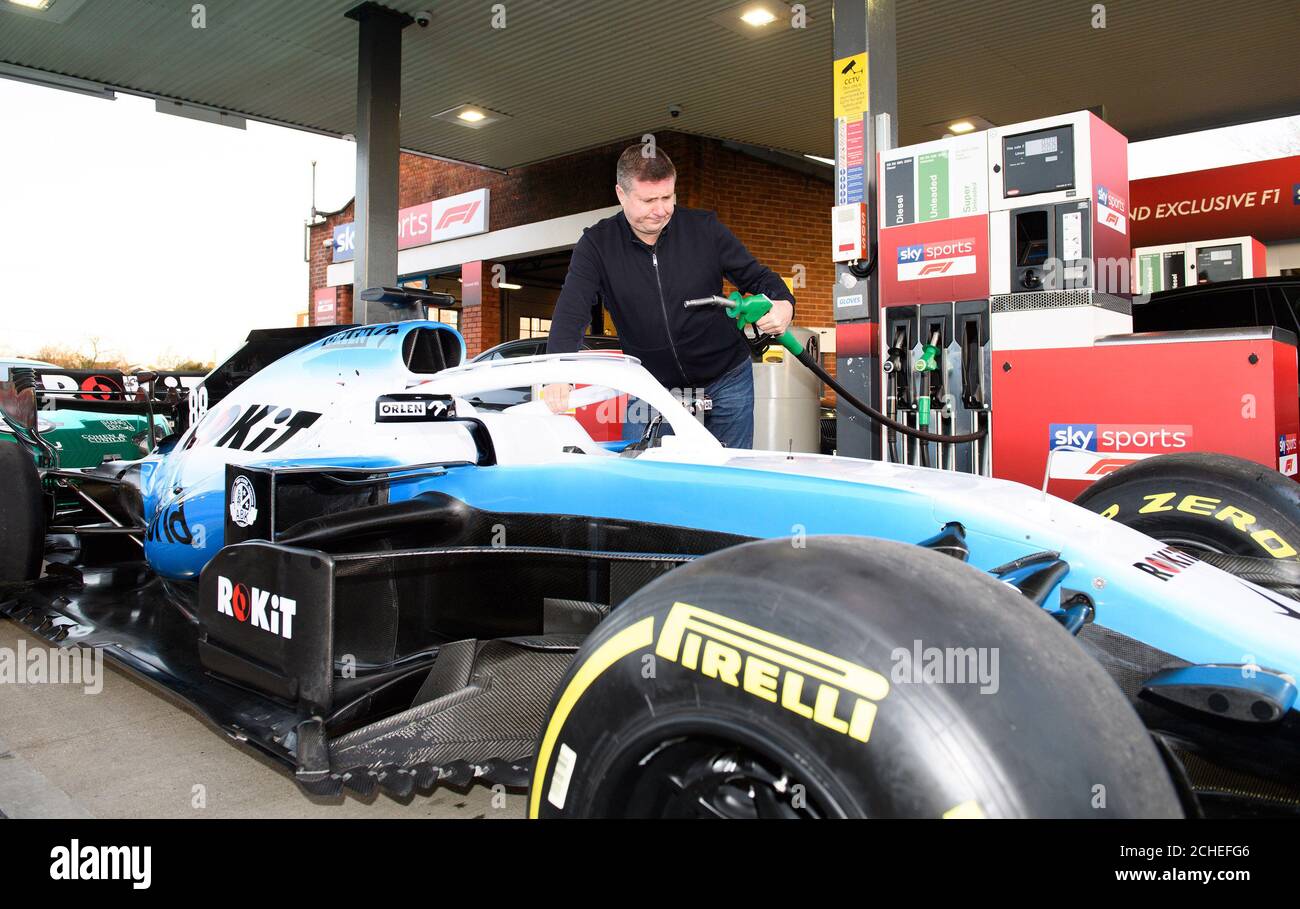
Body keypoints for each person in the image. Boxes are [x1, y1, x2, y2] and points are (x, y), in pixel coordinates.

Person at [542, 144, 794, 449]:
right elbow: (573, 310)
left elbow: (758, 277)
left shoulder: (705, 230)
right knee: (651, 480)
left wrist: (784, 304)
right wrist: (558, 371)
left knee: (728, 479)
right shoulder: (597, 245)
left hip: (726, 378)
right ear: (621, 194)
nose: (660, 209)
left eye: (667, 197)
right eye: (648, 200)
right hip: (652, 387)